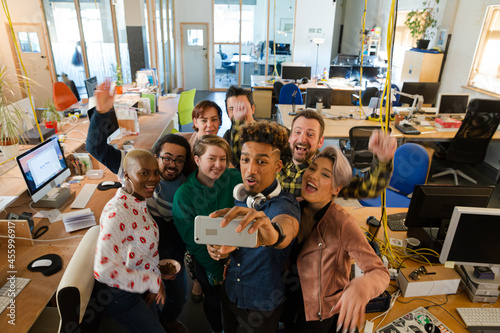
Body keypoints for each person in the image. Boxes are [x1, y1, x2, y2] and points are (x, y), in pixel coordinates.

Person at [86, 79, 190, 333]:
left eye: (179, 160)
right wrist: (102, 113)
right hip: (134, 258)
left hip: (161, 242)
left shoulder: (184, 183)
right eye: (166, 158)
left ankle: (165, 320)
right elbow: (95, 147)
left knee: (178, 292)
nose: (169, 166)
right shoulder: (135, 167)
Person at [283, 146, 390, 332]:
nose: (313, 175)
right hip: (286, 304)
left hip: (318, 317)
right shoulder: (293, 208)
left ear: (336, 188)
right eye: (312, 168)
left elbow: (379, 272)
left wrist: (363, 286)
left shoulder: (342, 223)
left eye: (325, 175)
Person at [208, 121, 301, 333]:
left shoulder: (284, 204)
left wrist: (274, 234)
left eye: (261, 162)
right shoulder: (242, 196)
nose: (250, 170)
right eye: (245, 160)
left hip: (261, 304)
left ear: (278, 166)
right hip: (232, 291)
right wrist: (221, 251)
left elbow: (286, 227)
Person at [173, 135, 241, 333]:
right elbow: (193, 242)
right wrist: (215, 270)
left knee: (237, 300)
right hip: (205, 259)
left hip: (238, 255)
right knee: (212, 300)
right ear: (197, 160)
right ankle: (216, 329)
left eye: (223, 159)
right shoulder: (184, 195)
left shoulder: (236, 180)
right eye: (211, 158)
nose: (218, 165)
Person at [94, 149, 166, 332]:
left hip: (140, 285)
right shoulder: (117, 213)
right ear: (126, 175)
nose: (153, 179)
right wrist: (152, 282)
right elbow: (104, 270)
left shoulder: (137, 200)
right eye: (144, 173)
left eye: (156, 172)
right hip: (123, 294)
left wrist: (154, 279)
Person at [278, 109, 397, 198]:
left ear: (320, 142)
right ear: (290, 137)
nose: (301, 139)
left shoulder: (330, 173)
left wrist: (382, 160)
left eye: (310, 134)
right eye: (297, 132)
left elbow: (367, 189)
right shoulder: (275, 161)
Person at [223, 85, 256, 168]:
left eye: (242, 108)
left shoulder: (267, 131)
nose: (238, 114)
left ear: (252, 109)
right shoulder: (227, 137)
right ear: (227, 114)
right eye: (232, 109)